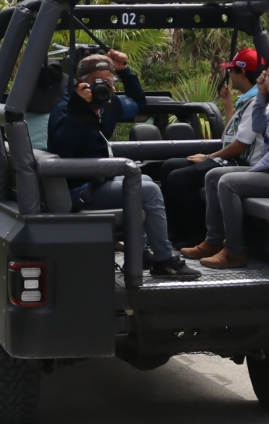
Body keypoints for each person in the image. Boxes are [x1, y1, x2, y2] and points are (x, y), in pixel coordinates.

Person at [46, 50, 201, 280]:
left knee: (145, 180)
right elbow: (64, 151)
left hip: (100, 179)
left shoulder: (110, 105)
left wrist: (125, 72)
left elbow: (140, 104)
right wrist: (78, 111)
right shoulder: (65, 110)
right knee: (148, 189)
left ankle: (139, 252)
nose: (104, 88)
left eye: (109, 82)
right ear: (81, 83)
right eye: (97, 83)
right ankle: (164, 260)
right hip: (80, 189)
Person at [184, 54, 269, 270]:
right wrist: (262, 97)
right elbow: (258, 125)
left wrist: (248, 173)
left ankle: (235, 251)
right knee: (212, 176)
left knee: (228, 182)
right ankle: (214, 241)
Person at [160, 48, 263, 243]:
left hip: (241, 162)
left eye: (231, 71)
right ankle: (174, 232)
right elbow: (230, 136)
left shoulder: (257, 101)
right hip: (231, 156)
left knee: (179, 178)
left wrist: (209, 158)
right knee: (168, 166)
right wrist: (228, 106)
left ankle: (197, 236)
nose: (229, 76)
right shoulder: (245, 99)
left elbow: (240, 146)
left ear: (241, 73)